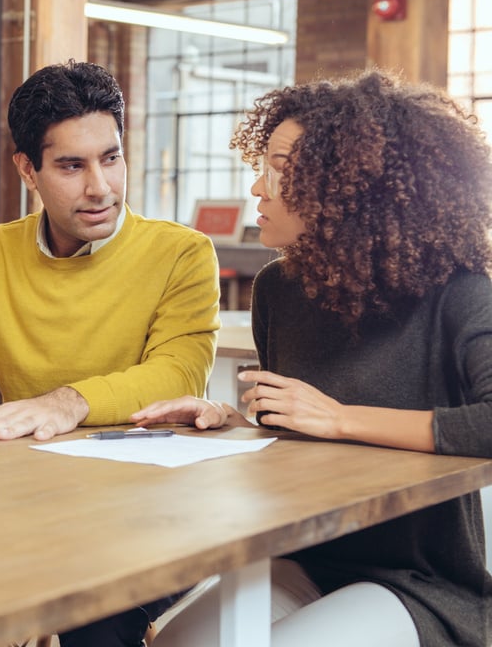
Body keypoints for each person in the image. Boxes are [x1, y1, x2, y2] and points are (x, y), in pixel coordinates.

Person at [0, 60, 221, 647]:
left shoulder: (182, 254)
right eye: (71, 166)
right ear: (27, 170)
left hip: (146, 517)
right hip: (26, 510)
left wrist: (68, 402)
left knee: (92, 622)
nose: (100, 187)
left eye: (110, 158)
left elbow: (175, 375)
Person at [132, 70, 492, 647]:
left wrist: (341, 417)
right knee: (174, 643)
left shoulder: (460, 292)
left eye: (280, 169)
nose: (258, 188)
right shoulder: (278, 288)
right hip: (302, 557)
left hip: (419, 583)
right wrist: (231, 420)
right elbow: (298, 435)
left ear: (350, 185)